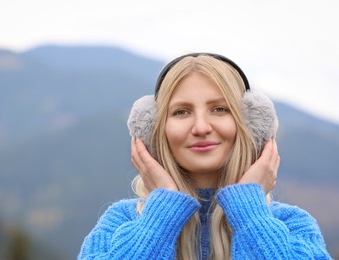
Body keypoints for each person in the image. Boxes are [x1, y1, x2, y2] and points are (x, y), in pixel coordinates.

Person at [78, 53, 331, 259]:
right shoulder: (121, 222)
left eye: (220, 109)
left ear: (250, 124)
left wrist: (249, 211)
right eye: (181, 112)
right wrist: (162, 211)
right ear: (154, 130)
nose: (201, 127)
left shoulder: (293, 225)